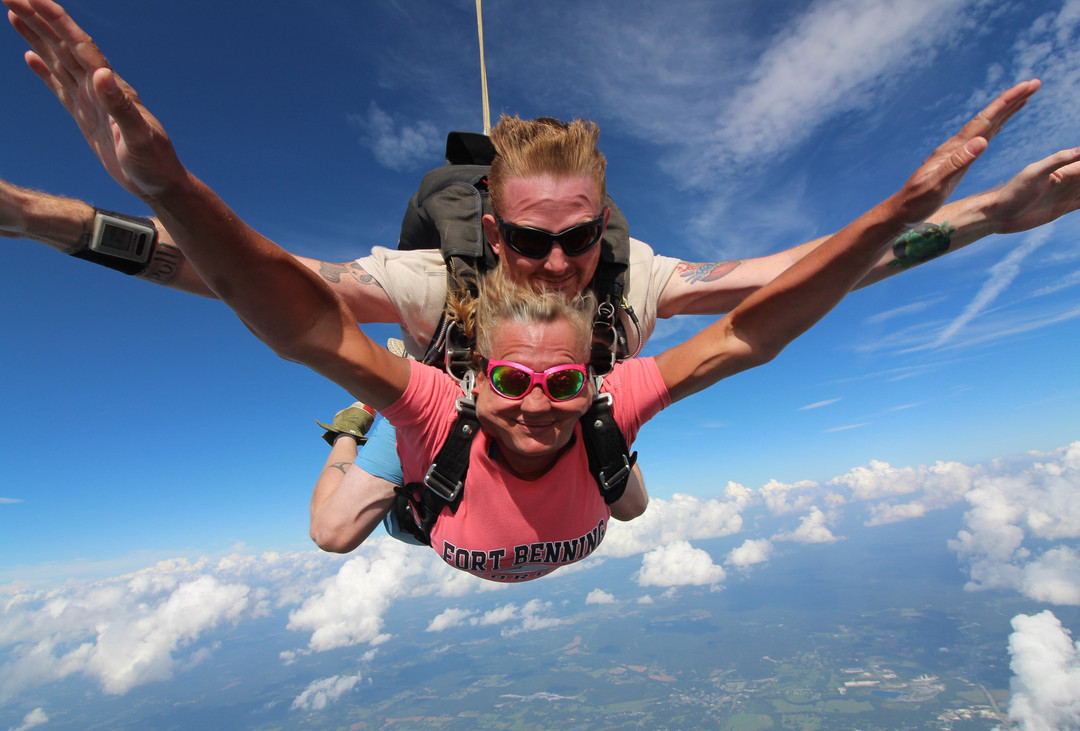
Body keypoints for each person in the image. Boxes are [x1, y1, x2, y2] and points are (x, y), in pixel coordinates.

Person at [6, 0, 1080, 553]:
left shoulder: (638, 282)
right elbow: (256, 286)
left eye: (581, 237)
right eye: (529, 240)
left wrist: (987, 215)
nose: (561, 265)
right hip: (439, 448)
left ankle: (559, 439)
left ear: (605, 219)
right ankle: (351, 425)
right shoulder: (428, 289)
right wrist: (85, 205)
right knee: (333, 530)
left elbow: (798, 288)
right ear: (494, 232)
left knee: (635, 503)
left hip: (576, 447)